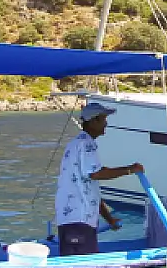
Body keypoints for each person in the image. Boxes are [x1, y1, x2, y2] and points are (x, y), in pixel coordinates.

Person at [54, 100, 144, 255]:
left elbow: (91, 188)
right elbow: (97, 173)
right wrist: (130, 169)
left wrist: (109, 218)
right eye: (103, 119)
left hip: (72, 219)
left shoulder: (74, 145)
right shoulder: (86, 144)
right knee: (82, 265)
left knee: (76, 261)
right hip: (79, 220)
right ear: (94, 120)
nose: (106, 124)